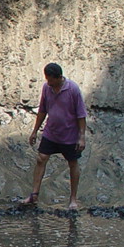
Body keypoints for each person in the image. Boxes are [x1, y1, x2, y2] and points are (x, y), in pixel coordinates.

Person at [23, 63, 88, 210]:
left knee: (72, 163)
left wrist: (81, 136)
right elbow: (42, 110)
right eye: (47, 79)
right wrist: (34, 131)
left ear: (59, 77)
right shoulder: (47, 88)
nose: (48, 82)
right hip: (51, 132)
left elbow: (81, 115)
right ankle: (34, 195)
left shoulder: (73, 89)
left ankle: (73, 199)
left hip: (69, 134)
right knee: (41, 158)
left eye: (51, 80)